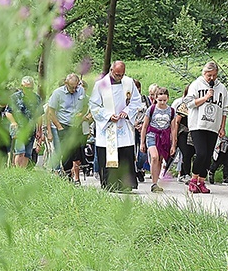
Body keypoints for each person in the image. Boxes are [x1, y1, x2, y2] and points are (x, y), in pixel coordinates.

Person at [89, 61, 142, 191]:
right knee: (109, 156)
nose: (120, 77)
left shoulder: (129, 82)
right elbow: (94, 105)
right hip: (108, 127)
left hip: (123, 124)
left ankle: (126, 185)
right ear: (111, 70)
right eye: (117, 74)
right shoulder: (100, 85)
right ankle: (110, 184)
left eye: (122, 74)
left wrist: (127, 112)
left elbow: (136, 101)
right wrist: (107, 116)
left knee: (125, 155)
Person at [185, 61, 228, 194]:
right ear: (204, 73)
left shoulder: (222, 89)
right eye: (209, 75)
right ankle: (193, 180)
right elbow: (189, 103)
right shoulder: (196, 84)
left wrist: (222, 127)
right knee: (201, 153)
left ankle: (202, 182)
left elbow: (225, 109)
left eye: (214, 75)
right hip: (198, 124)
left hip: (213, 126)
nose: (211, 78)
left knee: (208, 155)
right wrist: (205, 97)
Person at [47, 73, 88, 185]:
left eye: (76, 87)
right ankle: (67, 178)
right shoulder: (58, 93)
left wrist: (81, 114)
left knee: (77, 154)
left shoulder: (81, 91)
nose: (74, 89)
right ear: (66, 84)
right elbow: (51, 112)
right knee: (67, 154)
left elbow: (86, 106)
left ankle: (75, 178)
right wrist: (59, 127)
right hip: (64, 126)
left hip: (76, 126)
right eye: (72, 87)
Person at [139, 86, 176, 193]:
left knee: (160, 159)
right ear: (155, 98)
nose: (162, 102)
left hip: (164, 138)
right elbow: (145, 126)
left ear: (168, 98)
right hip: (152, 135)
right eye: (160, 100)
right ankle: (154, 183)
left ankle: (156, 183)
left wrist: (173, 144)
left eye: (165, 100)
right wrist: (142, 142)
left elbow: (173, 129)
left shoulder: (171, 111)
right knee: (154, 157)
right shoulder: (151, 109)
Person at [5, 76, 43, 167]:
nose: (29, 90)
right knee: (20, 152)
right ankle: (17, 171)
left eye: (31, 88)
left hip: (31, 129)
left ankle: (23, 172)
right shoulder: (14, 97)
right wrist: (13, 122)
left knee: (27, 153)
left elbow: (39, 115)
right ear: (22, 86)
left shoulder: (37, 98)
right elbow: (8, 112)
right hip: (18, 129)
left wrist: (39, 130)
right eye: (26, 88)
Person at [208, 97, 228, 185]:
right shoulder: (225, 115)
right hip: (223, 139)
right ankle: (212, 171)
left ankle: (226, 177)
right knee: (220, 157)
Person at [172, 85, 195, 184]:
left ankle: (183, 173)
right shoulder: (184, 105)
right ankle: (186, 174)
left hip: (193, 132)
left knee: (191, 152)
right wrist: (175, 136)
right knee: (186, 153)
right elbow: (177, 121)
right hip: (183, 132)